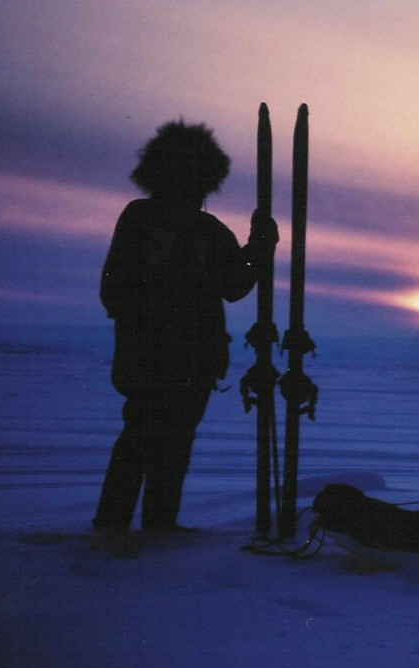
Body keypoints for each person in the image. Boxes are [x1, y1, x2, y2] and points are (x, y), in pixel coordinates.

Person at [93, 120, 276, 533]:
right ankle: (111, 525)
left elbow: (235, 285)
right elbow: (114, 288)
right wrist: (148, 325)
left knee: (176, 442)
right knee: (139, 438)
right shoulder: (139, 219)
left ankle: (160, 524)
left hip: (196, 358)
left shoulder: (211, 232)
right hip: (150, 355)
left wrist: (258, 247)